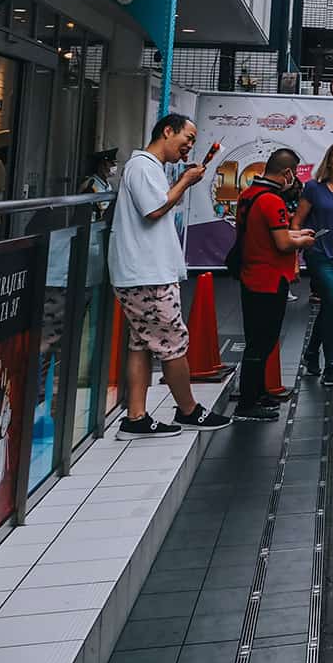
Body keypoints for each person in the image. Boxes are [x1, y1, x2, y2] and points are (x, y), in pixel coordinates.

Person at [108, 113, 234, 437]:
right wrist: (186, 181)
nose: (190, 146)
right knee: (173, 342)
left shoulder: (150, 168)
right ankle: (189, 410)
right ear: (167, 131)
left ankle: (136, 417)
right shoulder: (142, 167)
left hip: (143, 272)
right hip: (145, 274)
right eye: (188, 138)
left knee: (142, 343)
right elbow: (155, 209)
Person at [234, 149, 317, 421]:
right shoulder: (273, 201)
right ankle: (248, 403)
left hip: (250, 275)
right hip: (269, 280)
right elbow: (282, 244)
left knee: (257, 340)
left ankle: (256, 394)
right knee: (263, 342)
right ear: (287, 173)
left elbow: (267, 233)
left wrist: (295, 233)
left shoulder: (248, 195)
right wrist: (302, 242)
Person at [294, 142, 333, 387]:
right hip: (320, 253)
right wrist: (295, 256)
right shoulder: (313, 188)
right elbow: (297, 220)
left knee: (330, 306)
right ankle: (330, 365)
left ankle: (311, 352)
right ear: (329, 161)